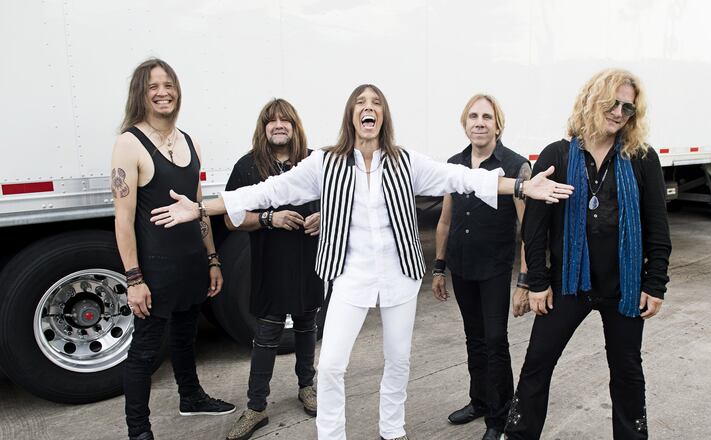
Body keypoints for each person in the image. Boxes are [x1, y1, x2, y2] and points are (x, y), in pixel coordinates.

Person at [149, 84, 572, 440]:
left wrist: (521, 186)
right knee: (331, 365)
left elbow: (462, 177)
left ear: (383, 116)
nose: (368, 108)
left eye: (376, 103)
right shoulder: (325, 162)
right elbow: (267, 191)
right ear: (351, 115)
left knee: (398, 361)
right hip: (350, 278)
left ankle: (392, 430)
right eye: (360, 103)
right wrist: (202, 208)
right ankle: (332, 434)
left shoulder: (405, 161)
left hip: (401, 276)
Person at [505, 69, 671, 439]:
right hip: (568, 284)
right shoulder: (558, 155)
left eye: (628, 107)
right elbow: (535, 228)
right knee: (537, 365)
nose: (619, 113)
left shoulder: (641, 158)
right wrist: (537, 283)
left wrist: (655, 283)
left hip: (624, 288)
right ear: (592, 100)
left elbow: (658, 227)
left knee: (627, 373)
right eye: (613, 103)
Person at [111, 58, 235, 440]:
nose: (163, 92)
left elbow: (198, 208)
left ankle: (191, 397)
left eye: (169, 85)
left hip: (192, 264)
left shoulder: (189, 141)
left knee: (185, 336)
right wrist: (134, 279)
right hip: (156, 270)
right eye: (153, 86)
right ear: (141, 93)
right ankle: (138, 431)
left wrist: (212, 258)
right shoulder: (129, 143)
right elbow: (123, 220)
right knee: (145, 353)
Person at [432, 94, 530, 440]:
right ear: (465, 124)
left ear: (497, 125)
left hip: (494, 268)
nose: (479, 123)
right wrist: (439, 268)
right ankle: (480, 401)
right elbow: (445, 221)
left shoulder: (516, 166)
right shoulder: (453, 164)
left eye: (487, 117)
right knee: (473, 338)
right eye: (473, 116)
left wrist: (525, 281)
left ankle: (500, 417)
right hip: (461, 266)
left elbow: (528, 230)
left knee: (495, 340)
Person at [223, 98, 323, 440]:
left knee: (308, 326)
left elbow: (341, 202)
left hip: (309, 263)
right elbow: (231, 219)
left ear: (295, 127)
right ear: (263, 127)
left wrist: (324, 217)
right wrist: (270, 218)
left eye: (286, 120)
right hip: (269, 266)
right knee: (266, 335)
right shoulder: (248, 166)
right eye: (272, 120)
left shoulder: (313, 162)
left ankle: (307, 387)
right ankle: (256, 407)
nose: (279, 125)